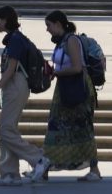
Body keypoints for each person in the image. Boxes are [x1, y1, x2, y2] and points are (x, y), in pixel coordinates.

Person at [30, 10, 101, 183]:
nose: (47, 30)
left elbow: (77, 67)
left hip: (78, 89)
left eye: (48, 25)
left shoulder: (71, 41)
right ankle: (45, 168)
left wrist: (55, 71)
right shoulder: (61, 42)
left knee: (83, 128)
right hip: (64, 88)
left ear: (58, 24)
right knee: (55, 128)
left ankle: (94, 169)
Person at [0, 5, 50, 187]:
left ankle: (38, 158)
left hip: (15, 85)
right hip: (15, 86)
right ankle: (10, 174)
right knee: (8, 130)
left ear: (5, 20)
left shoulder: (15, 40)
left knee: (5, 129)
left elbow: (10, 71)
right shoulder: (16, 38)